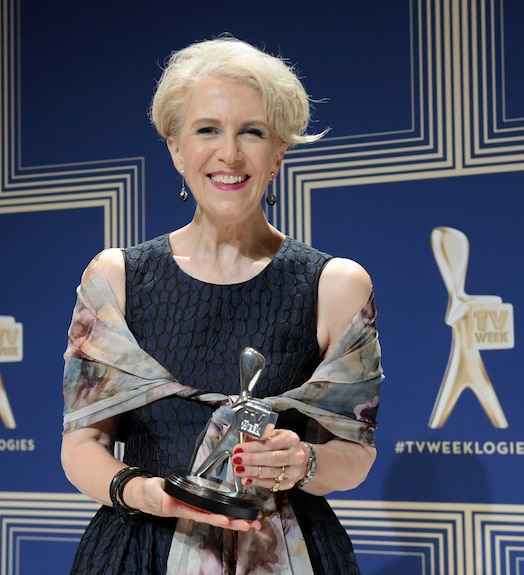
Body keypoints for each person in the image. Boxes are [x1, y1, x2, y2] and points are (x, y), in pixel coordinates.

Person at [60, 35, 384, 575]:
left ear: (279, 151)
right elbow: (82, 445)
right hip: (139, 550)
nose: (229, 154)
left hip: (289, 553)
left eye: (252, 132)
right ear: (175, 148)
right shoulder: (114, 279)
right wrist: (143, 493)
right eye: (207, 129)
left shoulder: (336, 285)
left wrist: (301, 462)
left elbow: (355, 456)